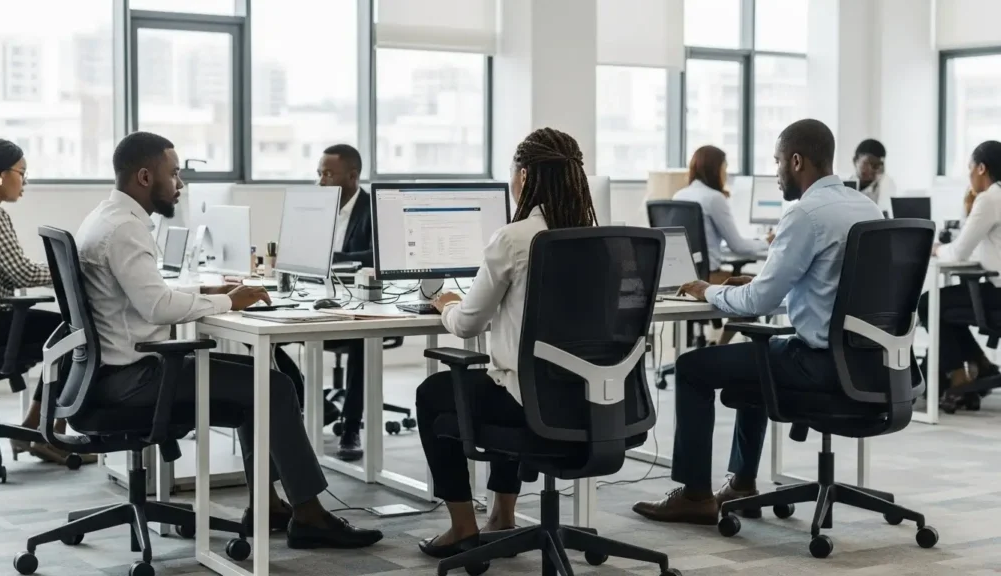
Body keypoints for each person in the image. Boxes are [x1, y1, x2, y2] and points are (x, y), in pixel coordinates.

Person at [74, 131, 382, 549]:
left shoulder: (105, 218)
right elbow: (157, 308)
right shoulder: (126, 230)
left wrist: (212, 295)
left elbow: (148, 296)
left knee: (260, 378)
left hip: (110, 373)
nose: (180, 185)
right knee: (273, 386)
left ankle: (267, 504)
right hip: (136, 378)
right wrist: (227, 302)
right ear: (145, 177)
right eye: (174, 173)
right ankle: (308, 514)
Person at [631, 119, 883, 525]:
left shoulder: (805, 214)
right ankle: (742, 484)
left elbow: (756, 301)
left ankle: (695, 494)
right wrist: (763, 280)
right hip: (868, 361)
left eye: (778, 161)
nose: (777, 170)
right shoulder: (866, 207)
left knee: (693, 367)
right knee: (758, 357)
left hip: (818, 362)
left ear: (797, 161)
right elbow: (830, 284)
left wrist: (705, 289)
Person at [413, 127, 598, 558]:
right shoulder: (598, 238)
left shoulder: (514, 238)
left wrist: (446, 303)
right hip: (593, 400)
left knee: (436, 393)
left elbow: (466, 324)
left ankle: (463, 526)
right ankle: (504, 516)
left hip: (531, 401)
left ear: (526, 175)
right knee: (506, 376)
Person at [0, 138, 78, 465]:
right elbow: (21, 273)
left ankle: (33, 429)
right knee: (76, 335)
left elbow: (11, 272)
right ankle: (46, 434)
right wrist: (74, 270)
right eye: (22, 173)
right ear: (0, 175)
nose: (25, 182)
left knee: (65, 332)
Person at [270, 144, 368, 462]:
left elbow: (377, 254)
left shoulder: (372, 208)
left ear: (352, 176)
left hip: (360, 304)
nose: (321, 182)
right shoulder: (317, 208)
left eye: (328, 174)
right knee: (264, 337)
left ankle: (351, 427)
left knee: (360, 342)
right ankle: (317, 405)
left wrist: (331, 257)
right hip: (317, 298)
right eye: (319, 173)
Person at [918, 140, 1001, 411]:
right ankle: (982, 364)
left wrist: (936, 249)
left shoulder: (990, 198)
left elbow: (958, 253)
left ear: (981, 168)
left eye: (969, 169)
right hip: (994, 287)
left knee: (929, 303)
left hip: (996, 294)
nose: (968, 176)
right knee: (947, 307)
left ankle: (958, 377)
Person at [672, 145, 773, 345]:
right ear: (714, 169)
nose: (725, 173)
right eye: (724, 168)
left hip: (684, 276)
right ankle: (721, 346)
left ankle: (718, 344)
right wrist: (766, 242)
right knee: (753, 287)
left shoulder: (679, 196)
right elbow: (739, 247)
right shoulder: (714, 198)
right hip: (708, 276)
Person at [851, 139, 896, 216]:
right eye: (868, 163)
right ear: (855, 161)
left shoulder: (885, 184)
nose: (874, 169)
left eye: (878, 164)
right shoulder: (844, 185)